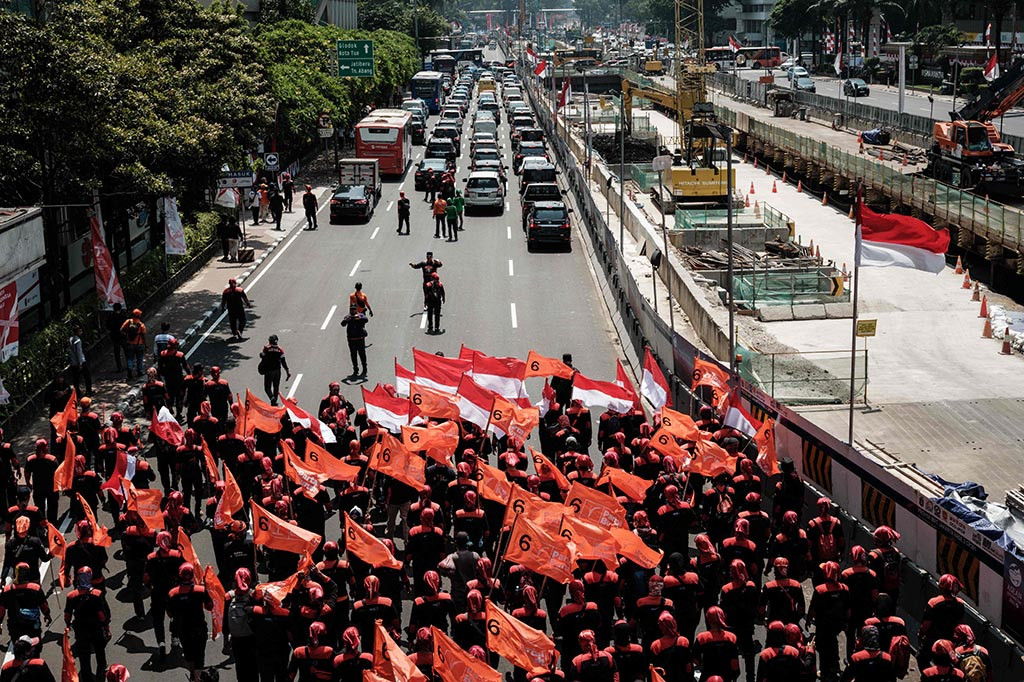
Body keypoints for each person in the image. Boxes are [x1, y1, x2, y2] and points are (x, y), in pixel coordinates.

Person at [258, 335, 291, 406]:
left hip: (269, 371)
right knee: (276, 387)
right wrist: (287, 371)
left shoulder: (266, 348)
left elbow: (262, 355)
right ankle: (274, 402)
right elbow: (283, 361)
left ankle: (272, 398)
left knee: (267, 388)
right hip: (277, 371)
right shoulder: (280, 349)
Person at [339, 306, 369, 379]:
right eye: (351, 310)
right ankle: (355, 370)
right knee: (353, 355)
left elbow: (366, 319)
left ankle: (364, 369)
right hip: (351, 339)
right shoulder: (348, 317)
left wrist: (358, 318)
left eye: (354, 309)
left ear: (356, 310)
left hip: (360, 339)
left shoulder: (360, 315)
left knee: (362, 354)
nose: (352, 311)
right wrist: (349, 319)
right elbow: (343, 324)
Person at [120, 309, 147, 380]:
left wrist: (126, 337)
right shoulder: (141, 325)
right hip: (139, 344)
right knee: (139, 359)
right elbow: (143, 336)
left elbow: (121, 330)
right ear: (139, 316)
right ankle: (140, 371)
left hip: (130, 344)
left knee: (130, 358)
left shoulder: (128, 322)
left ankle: (129, 370)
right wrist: (145, 344)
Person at [68, 324, 92, 396]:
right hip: (80, 362)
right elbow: (78, 352)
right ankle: (88, 391)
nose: (81, 332)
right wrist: (80, 363)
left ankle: (77, 393)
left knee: (76, 378)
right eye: (80, 331)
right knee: (87, 376)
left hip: (73, 362)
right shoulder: (78, 340)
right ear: (77, 332)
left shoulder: (70, 339)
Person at [104, 303, 127, 372]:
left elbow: (107, 326)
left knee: (117, 352)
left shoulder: (111, 316)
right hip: (123, 335)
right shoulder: (123, 316)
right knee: (126, 351)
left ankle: (119, 367)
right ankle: (129, 365)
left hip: (114, 336)